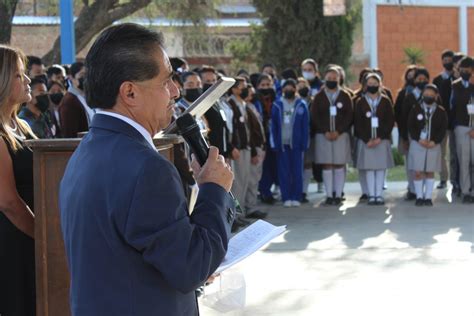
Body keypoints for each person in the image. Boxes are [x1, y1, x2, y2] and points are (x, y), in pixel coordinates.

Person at [59, 23, 235, 316]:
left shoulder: (86, 152)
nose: (176, 92)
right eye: (166, 81)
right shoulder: (147, 169)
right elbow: (190, 268)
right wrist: (214, 190)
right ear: (129, 93)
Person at [0, 44, 36, 316]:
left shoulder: (21, 125)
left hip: (29, 237)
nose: (27, 80)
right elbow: (8, 202)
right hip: (13, 241)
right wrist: (43, 235)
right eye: (19, 75)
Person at [311, 67, 353, 206]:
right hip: (324, 136)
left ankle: (338, 193)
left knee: (340, 163)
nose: (331, 81)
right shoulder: (319, 96)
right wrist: (325, 131)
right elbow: (315, 116)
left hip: (341, 135)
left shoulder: (345, 96)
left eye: (334, 79)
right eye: (329, 79)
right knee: (327, 164)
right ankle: (329, 195)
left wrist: (339, 131)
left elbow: (349, 116)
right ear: (324, 79)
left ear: (339, 79)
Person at [354, 73, 395, 205]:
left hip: (381, 140)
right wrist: (367, 139)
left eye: (375, 83)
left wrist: (380, 137)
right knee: (370, 168)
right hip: (367, 141)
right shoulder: (360, 102)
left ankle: (379, 194)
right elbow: (358, 122)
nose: (372, 86)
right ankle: (372, 195)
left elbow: (390, 121)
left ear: (379, 84)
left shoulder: (385, 101)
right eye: (369, 84)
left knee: (380, 167)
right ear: (366, 86)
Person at [271, 79, 309, 207]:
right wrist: (275, 143)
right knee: (284, 172)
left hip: (297, 144)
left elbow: (305, 126)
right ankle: (286, 197)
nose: (289, 91)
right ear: (282, 90)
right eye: (286, 89)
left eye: (291, 88)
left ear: (295, 89)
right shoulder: (277, 104)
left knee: (297, 171)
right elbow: (274, 126)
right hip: (282, 144)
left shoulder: (301, 104)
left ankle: (296, 197)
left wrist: (304, 142)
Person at [407, 84, 448, 206]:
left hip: (433, 145)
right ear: (422, 94)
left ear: (436, 96)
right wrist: (419, 139)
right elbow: (411, 126)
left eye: (431, 94)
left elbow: (443, 129)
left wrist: (434, 141)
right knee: (418, 171)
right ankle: (419, 197)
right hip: (418, 144)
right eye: (426, 94)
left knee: (430, 171)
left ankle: (428, 197)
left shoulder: (441, 111)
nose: (429, 96)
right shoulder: (415, 108)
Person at [400, 67, 431, 200]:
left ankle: (426, 192)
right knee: (413, 164)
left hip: (429, 136)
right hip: (413, 136)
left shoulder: (433, 95)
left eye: (424, 79)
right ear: (414, 80)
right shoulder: (409, 96)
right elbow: (403, 118)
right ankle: (413, 190)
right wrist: (405, 137)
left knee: (426, 164)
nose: (422, 81)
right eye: (419, 79)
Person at [451, 56, 474, 203]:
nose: (465, 72)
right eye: (463, 70)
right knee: (464, 161)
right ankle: (466, 191)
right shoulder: (455, 85)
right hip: (461, 127)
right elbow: (453, 107)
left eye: (468, 70)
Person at [432, 50, 455, 189]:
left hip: (456, 121)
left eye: (449, 60)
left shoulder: (458, 79)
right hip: (442, 121)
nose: (447, 63)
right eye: (444, 60)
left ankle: (455, 180)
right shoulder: (437, 80)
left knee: (455, 152)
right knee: (441, 152)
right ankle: (443, 179)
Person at [301, 59, 324, 193]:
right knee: (307, 161)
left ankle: (320, 181)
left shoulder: (320, 86)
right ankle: (304, 188)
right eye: (305, 70)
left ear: (316, 72)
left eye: (310, 70)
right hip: (304, 130)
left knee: (318, 159)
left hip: (317, 129)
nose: (307, 73)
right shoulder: (300, 85)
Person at [58, 61, 94, 137]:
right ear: (71, 77)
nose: (86, 78)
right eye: (82, 74)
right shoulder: (69, 102)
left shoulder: (87, 97)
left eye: (88, 75)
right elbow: (69, 134)